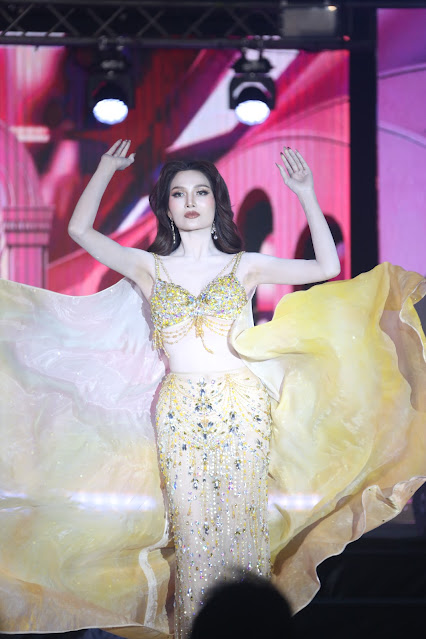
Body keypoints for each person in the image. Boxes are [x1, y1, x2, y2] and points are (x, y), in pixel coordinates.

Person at [0, 140, 425, 638]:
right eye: (178, 194)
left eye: (200, 192)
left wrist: (307, 194)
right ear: (167, 207)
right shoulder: (149, 266)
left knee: (242, 527)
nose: (191, 202)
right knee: (193, 532)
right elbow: (78, 231)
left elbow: (327, 268)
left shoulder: (244, 265)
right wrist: (106, 170)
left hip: (240, 406)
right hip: (179, 408)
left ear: (215, 201)